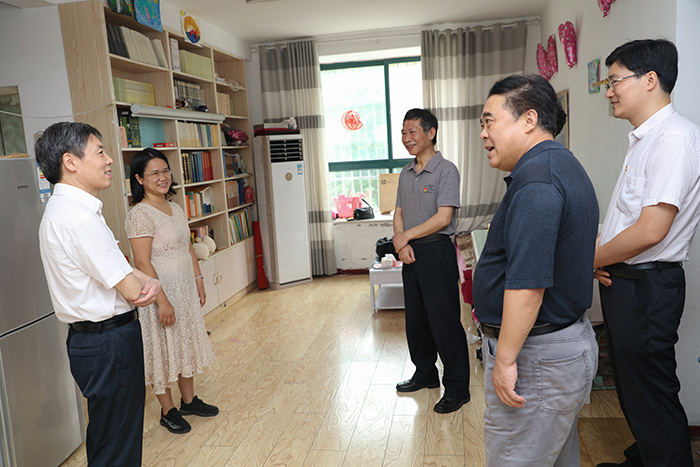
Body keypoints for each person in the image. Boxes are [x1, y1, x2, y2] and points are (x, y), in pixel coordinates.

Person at [472, 75, 599, 466]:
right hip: (557, 347)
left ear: (528, 120)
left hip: (537, 356)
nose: (483, 134)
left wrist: (505, 360)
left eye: (489, 121)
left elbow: (528, 287)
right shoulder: (559, 163)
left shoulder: (537, 181)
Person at [593, 39, 700, 467]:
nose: (609, 92)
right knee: (634, 388)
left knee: (652, 392)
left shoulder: (674, 138)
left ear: (650, 79)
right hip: (627, 281)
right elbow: (626, 219)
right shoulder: (645, 138)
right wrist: (604, 257)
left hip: (648, 287)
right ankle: (646, 457)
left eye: (615, 81)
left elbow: (652, 230)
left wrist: (591, 260)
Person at [35, 122, 161, 467]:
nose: (109, 160)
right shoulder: (79, 219)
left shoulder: (67, 211)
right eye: (100, 151)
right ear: (70, 162)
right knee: (117, 443)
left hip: (92, 341)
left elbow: (119, 267)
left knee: (109, 436)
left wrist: (143, 279)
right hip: (109, 343)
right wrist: (151, 283)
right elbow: (132, 288)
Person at [125, 148, 218, 434]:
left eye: (165, 170)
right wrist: (162, 301)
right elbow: (142, 262)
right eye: (154, 173)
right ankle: (168, 411)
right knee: (163, 349)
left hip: (185, 288)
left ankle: (189, 401)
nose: (162, 177)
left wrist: (199, 279)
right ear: (139, 179)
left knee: (184, 342)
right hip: (159, 293)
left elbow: (188, 246)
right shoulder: (139, 215)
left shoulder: (175, 207)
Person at [392, 108, 471, 414]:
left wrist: (404, 237)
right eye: (403, 132)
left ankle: (458, 388)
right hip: (410, 254)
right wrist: (401, 243)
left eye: (412, 131)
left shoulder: (446, 170)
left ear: (431, 133)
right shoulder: (405, 172)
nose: (406, 138)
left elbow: (443, 218)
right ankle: (425, 373)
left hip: (437, 252)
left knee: (444, 322)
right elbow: (399, 211)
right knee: (416, 321)